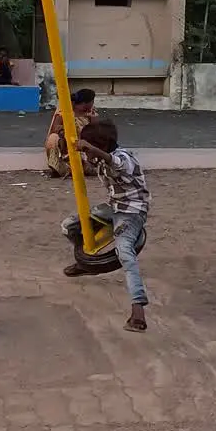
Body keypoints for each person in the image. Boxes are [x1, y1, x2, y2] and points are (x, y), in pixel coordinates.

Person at [71, 119, 151, 333]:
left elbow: (114, 162)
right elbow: (98, 163)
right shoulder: (100, 159)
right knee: (70, 225)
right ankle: (86, 262)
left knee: (125, 252)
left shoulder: (125, 158)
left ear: (102, 146)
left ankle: (138, 311)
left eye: (91, 148)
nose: (88, 154)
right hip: (114, 207)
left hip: (132, 211)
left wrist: (91, 149)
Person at [45, 88, 97, 178]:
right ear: (86, 102)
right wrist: (64, 132)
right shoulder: (64, 112)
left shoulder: (91, 113)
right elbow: (55, 129)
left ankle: (82, 167)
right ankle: (58, 168)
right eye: (92, 101)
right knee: (53, 138)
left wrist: (92, 119)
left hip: (84, 149)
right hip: (66, 147)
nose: (93, 104)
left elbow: (98, 132)